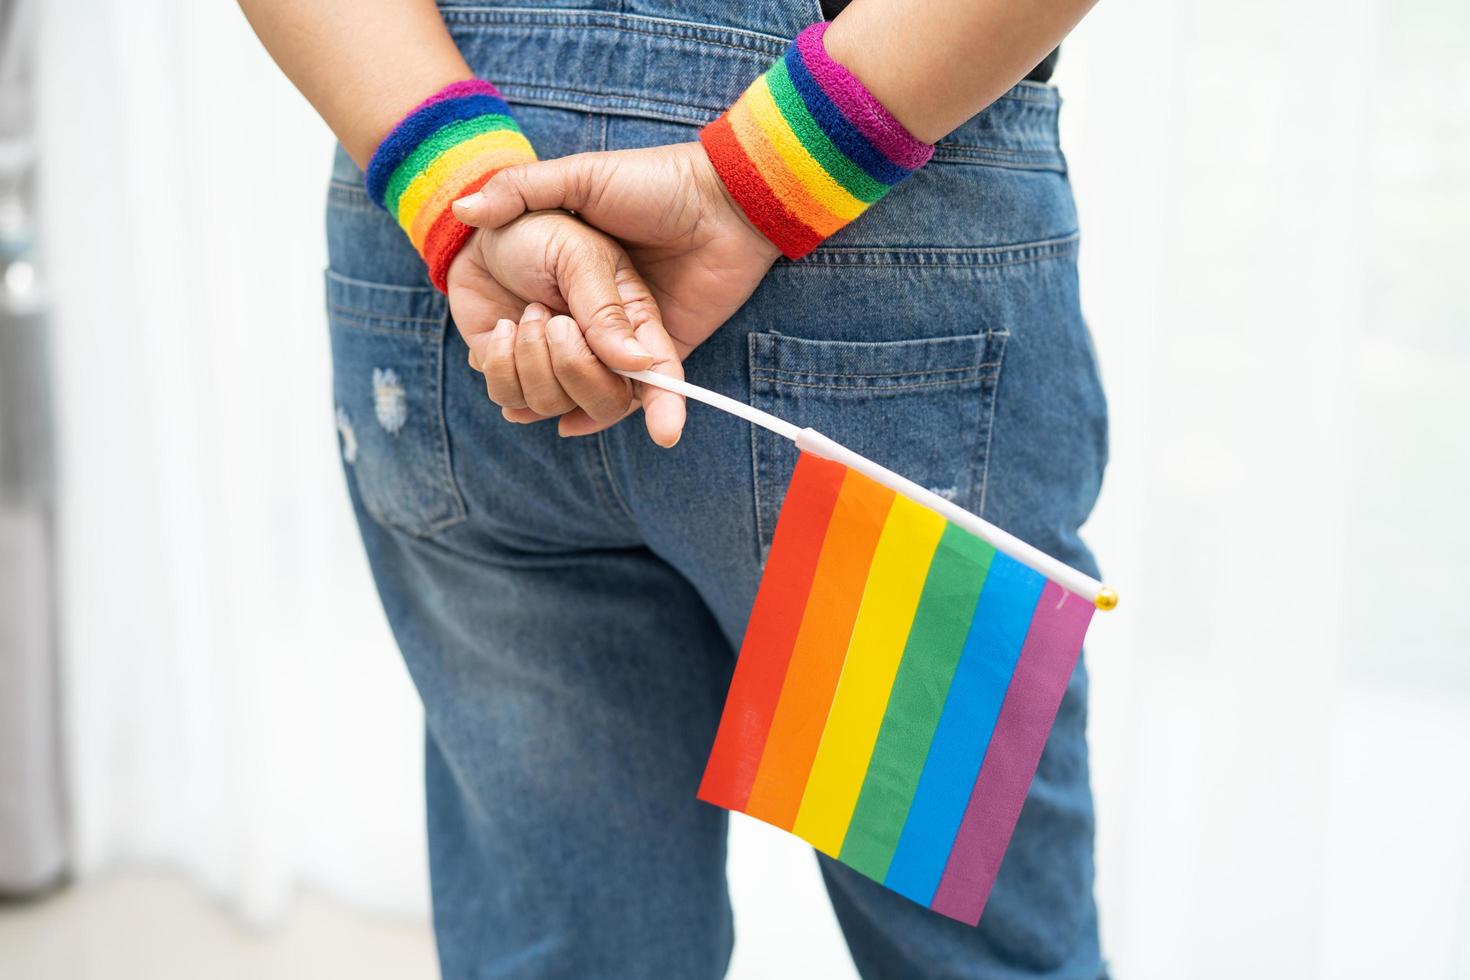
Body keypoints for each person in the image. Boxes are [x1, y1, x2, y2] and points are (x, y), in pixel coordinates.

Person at [240, 0, 1110, 976]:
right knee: (965, 954)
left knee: (571, 956)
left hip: (472, 267)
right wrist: (751, 183)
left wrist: (470, 191)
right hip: (862, 277)